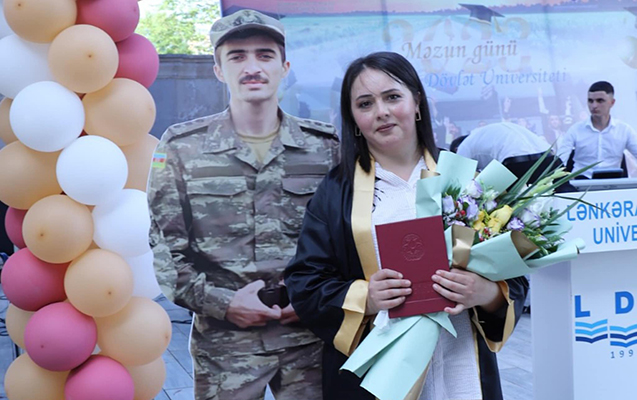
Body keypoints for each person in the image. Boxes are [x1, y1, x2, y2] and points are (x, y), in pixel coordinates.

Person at [285, 52, 528, 400]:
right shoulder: (336, 192)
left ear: (416, 103)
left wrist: (485, 293)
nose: (381, 111)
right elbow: (305, 282)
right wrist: (366, 297)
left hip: (460, 362)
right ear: (353, 120)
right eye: (365, 103)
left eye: (392, 97)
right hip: (379, 372)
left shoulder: (467, 180)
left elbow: (513, 274)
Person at [147, 9, 339, 400]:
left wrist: (316, 299)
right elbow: (166, 251)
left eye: (265, 55)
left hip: (309, 341)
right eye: (237, 56)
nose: (252, 67)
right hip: (225, 347)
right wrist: (225, 303)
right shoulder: (181, 147)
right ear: (219, 70)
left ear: (284, 68)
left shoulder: (326, 147)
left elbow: (347, 240)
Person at [557, 81, 637, 178]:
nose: (594, 106)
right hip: (581, 182)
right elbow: (559, 161)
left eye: (600, 101)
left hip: (613, 182)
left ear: (612, 102)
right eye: (590, 101)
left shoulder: (624, 130)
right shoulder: (575, 130)